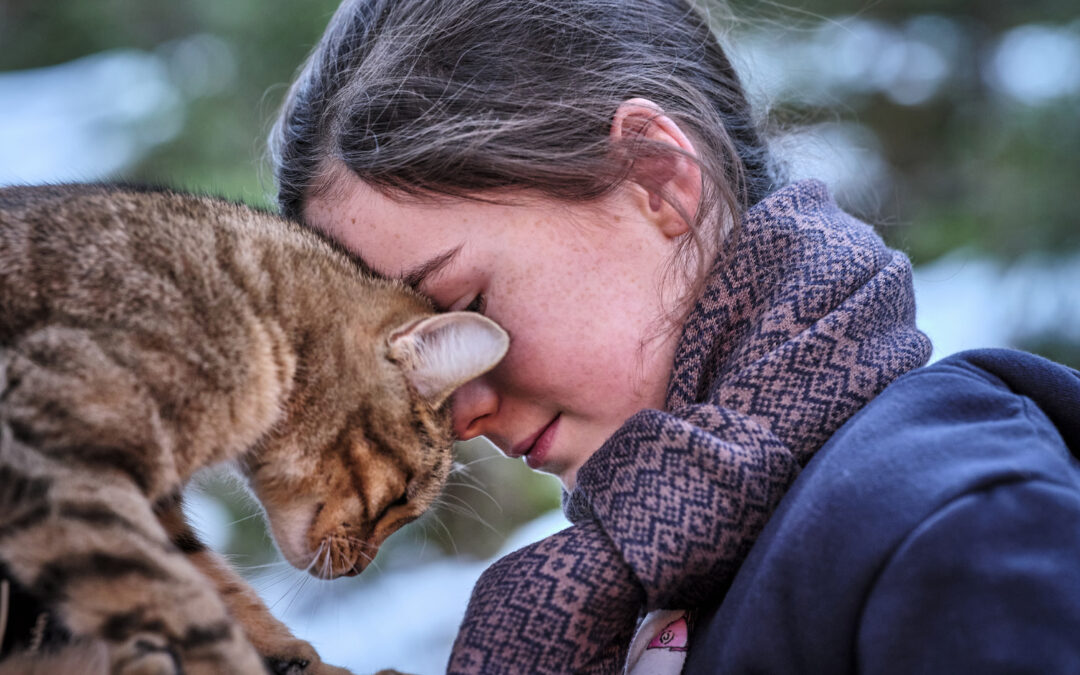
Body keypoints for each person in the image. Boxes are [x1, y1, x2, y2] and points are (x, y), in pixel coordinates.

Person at [269, 0, 1080, 672]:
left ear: (656, 177)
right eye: (410, 372)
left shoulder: (955, 526)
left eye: (465, 302)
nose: (458, 414)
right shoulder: (643, 584)